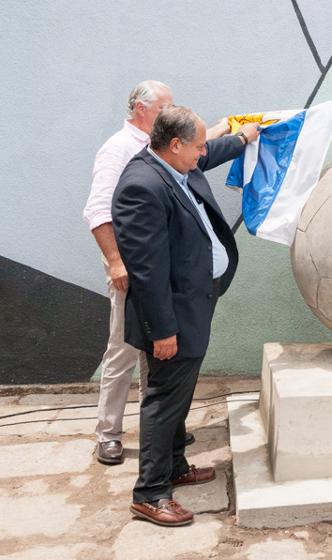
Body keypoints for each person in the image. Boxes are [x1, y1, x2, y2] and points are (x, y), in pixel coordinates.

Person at [112, 106, 259, 526]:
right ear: (174, 145)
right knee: (163, 401)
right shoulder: (141, 186)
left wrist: (246, 138)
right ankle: (151, 493)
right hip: (170, 316)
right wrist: (163, 331)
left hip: (195, 304)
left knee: (180, 394)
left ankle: (175, 466)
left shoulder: (175, 164)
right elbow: (148, 272)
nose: (203, 154)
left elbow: (211, 152)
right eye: (196, 147)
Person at [84, 81, 230, 465]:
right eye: (167, 105)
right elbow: (98, 211)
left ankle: (164, 429)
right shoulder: (120, 150)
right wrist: (116, 263)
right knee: (125, 348)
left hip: (156, 268)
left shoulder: (168, 150)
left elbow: (204, 149)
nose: (171, 110)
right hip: (133, 267)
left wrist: (236, 132)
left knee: (160, 360)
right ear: (141, 109)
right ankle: (109, 433)